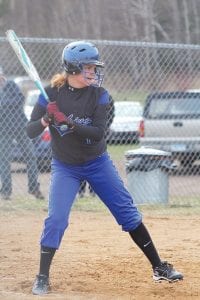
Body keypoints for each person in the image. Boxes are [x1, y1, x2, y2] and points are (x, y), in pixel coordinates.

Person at [26, 41, 183, 295]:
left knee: (127, 214)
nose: (93, 72)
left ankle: (159, 267)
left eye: (94, 67)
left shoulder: (100, 95)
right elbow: (30, 130)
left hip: (97, 163)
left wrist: (67, 122)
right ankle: (42, 276)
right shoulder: (51, 94)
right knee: (56, 219)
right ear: (73, 68)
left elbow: (98, 134)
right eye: (88, 67)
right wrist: (46, 119)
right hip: (66, 166)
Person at [0, 66, 44, 200]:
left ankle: (34, 188)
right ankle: (6, 191)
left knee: (30, 155)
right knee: (4, 159)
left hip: (20, 126)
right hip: (4, 129)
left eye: (0, 76)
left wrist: (2, 103)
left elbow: (19, 99)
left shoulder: (10, 84)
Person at [78, 94, 115, 198]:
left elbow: (111, 113)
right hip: (82, 133)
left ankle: (93, 190)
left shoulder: (104, 95)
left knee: (95, 160)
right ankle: (81, 190)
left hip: (97, 133)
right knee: (81, 161)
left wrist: (104, 127)